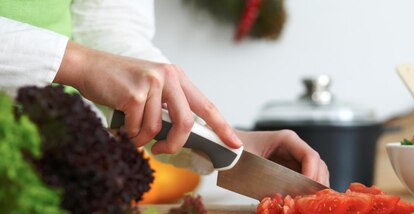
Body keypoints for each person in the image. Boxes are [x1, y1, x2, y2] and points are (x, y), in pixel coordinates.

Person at [0, 0, 329, 186]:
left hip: (45, 169)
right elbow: (92, 62)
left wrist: (224, 141)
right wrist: (79, 64)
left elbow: (108, 29)